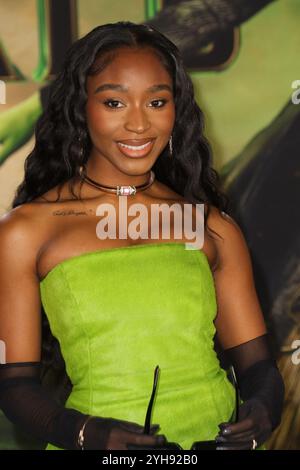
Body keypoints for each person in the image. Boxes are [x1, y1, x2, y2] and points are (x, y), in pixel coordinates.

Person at [0, 21, 284, 450]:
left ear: (176, 108)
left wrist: (261, 414)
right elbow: (15, 384)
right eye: (114, 102)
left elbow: (258, 366)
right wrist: (89, 434)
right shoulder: (26, 231)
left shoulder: (210, 226)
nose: (138, 124)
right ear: (81, 108)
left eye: (156, 101)